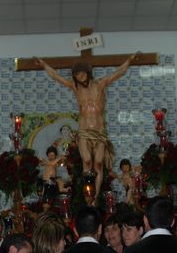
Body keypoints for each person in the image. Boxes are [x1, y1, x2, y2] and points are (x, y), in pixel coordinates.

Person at [36, 53, 140, 199]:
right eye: (77, 76)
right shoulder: (75, 87)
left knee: (98, 164)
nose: (80, 78)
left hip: (99, 131)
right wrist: (44, 65)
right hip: (84, 130)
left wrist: (129, 61)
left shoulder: (100, 84)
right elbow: (56, 77)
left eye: (82, 74)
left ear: (87, 73)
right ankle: (88, 195)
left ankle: (95, 197)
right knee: (87, 161)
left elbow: (118, 72)